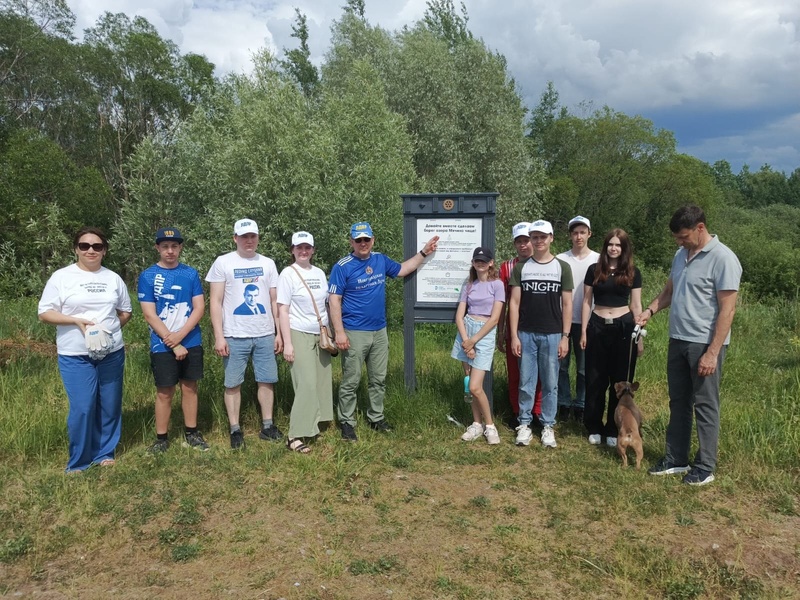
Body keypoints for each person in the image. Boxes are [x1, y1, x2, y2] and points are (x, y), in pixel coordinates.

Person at [638, 205, 741, 486]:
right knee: (679, 402)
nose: (679, 242)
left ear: (700, 228)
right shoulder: (680, 255)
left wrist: (712, 352)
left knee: (705, 405)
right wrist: (650, 310)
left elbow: (727, 311)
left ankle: (705, 466)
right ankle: (676, 459)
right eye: (676, 238)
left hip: (704, 344)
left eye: (683, 236)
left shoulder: (723, 259)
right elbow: (669, 291)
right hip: (678, 339)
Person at [328, 221, 439, 441]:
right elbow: (334, 300)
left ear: (373, 240)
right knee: (352, 379)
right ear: (351, 241)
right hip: (353, 331)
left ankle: (375, 417)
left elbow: (403, 269)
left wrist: (424, 252)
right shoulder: (342, 266)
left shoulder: (380, 260)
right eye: (358, 240)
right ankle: (347, 422)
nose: (363, 244)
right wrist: (339, 332)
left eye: (366, 239)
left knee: (378, 379)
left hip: (379, 330)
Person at [38, 227, 132, 473]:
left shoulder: (113, 278)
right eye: (84, 246)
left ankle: (105, 452)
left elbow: (126, 311)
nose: (91, 250)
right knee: (83, 406)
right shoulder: (61, 277)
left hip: (111, 353)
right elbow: (45, 313)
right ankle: (78, 461)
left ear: (104, 250)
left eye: (97, 246)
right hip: (74, 354)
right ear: (76, 249)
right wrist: (77, 322)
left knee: (109, 404)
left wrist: (108, 330)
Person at [206, 218, 283, 449]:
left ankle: (267, 426)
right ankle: (235, 429)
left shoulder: (268, 263)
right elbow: (215, 302)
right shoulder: (223, 262)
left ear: (258, 238)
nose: (249, 241)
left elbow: (273, 300)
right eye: (244, 237)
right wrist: (219, 336)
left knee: (267, 380)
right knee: (232, 384)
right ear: (235, 238)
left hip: (265, 333)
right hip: (234, 334)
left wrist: (279, 333)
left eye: (253, 236)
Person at [137, 227, 208, 453]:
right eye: (165, 246)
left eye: (174, 246)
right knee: (164, 391)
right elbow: (149, 314)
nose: (170, 251)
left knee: (190, 387)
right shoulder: (148, 276)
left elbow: (199, 308)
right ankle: (161, 438)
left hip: (191, 339)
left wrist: (181, 336)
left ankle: (191, 433)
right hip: (162, 343)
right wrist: (173, 342)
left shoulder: (190, 274)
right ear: (158, 248)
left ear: (180, 248)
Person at [509, 220, 573, 448]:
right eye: (534, 237)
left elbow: (567, 304)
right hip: (526, 333)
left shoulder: (562, 267)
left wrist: (566, 336)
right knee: (526, 382)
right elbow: (514, 304)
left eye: (542, 237)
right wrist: (514, 335)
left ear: (551, 238)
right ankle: (524, 424)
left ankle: (547, 426)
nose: (538, 241)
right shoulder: (521, 268)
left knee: (550, 382)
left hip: (553, 333)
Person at [580, 228, 642, 447]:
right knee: (595, 379)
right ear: (605, 246)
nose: (614, 248)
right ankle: (594, 425)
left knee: (619, 382)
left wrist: (639, 335)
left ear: (624, 249)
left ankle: (613, 427)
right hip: (597, 325)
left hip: (624, 328)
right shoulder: (594, 270)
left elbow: (636, 305)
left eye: (618, 245)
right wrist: (584, 331)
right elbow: (587, 301)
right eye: (610, 244)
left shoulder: (633, 272)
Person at [277, 231, 334, 453]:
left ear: (313, 250)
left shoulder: (319, 273)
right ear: (292, 250)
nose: (303, 251)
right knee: (306, 384)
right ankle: (294, 435)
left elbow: (326, 304)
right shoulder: (287, 274)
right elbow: (283, 309)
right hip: (298, 332)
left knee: (320, 382)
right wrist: (287, 343)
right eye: (299, 247)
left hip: (319, 333)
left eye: (307, 248)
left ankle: (313, 425)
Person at [452, 247, 505, 444]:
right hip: (466, 330)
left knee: (476, 386)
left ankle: (490, 426)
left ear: (491, 262)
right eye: (477, 260)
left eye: (484, 260)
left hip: (484, 334)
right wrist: (466, 340)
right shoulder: (469, 284)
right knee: (468, 384)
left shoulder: (497, 285)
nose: (480, 263)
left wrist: (473, 341)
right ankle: (476, 424)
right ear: (473, 263)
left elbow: (495, 318)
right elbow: (459, 314)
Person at [497, 222, 542, 430]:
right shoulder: (506, 267)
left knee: (538, 373)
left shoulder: (544, 264)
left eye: (526, 240)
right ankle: (516, 412)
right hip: (514, 326)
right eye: (519, 241)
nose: (523, 245)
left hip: (539, 325)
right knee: (515, 373)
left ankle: (537, 412)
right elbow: (502, 302)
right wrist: (501, 330)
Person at [556, 216, 600, 422]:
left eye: (583, 232)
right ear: (570, 236)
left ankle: (581, 404)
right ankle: (563, 402)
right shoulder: (560, 259)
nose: (579, 236)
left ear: (589, 234)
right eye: (575, 233)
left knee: (584, 368)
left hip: (588, 321)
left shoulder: (599, 260)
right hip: (563, 320)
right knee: (561, 366)